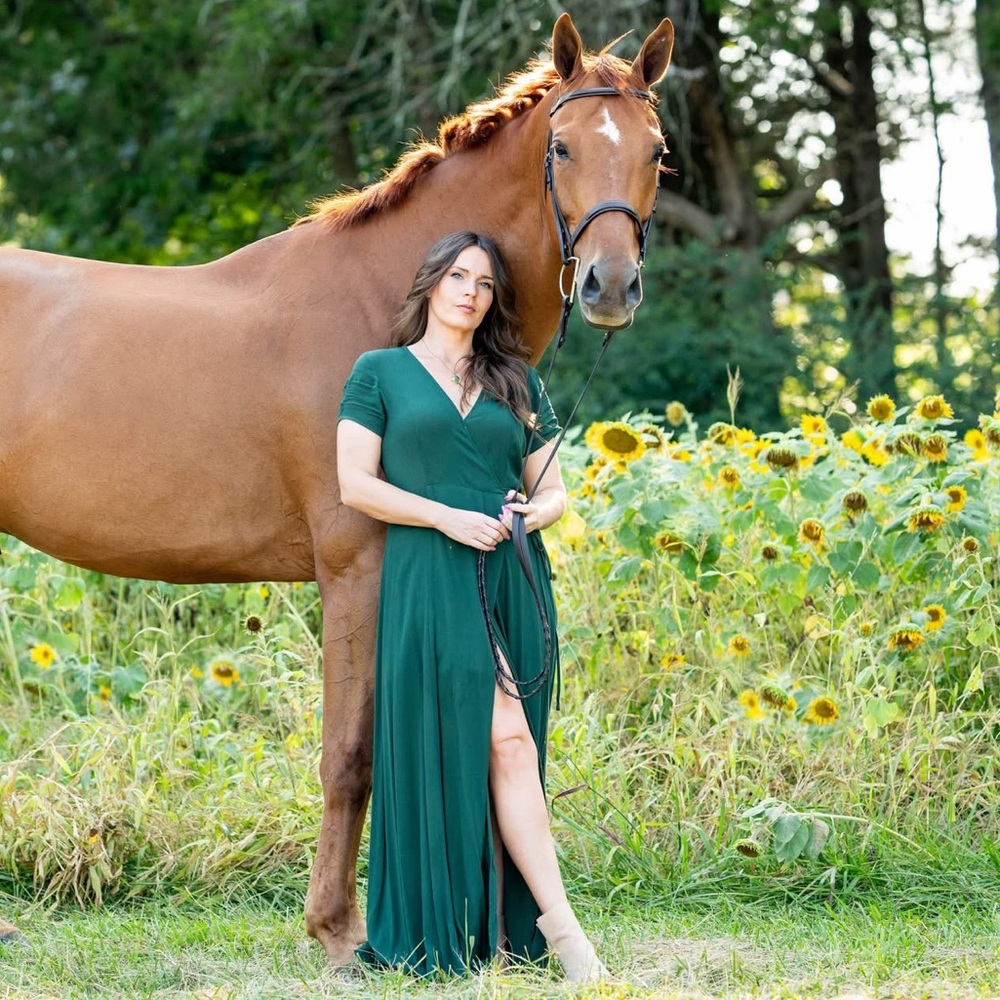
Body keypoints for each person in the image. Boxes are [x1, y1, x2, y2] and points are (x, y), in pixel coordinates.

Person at [336, 231, 608, 981]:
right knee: (489, 741)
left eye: (485, 284)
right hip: (429, 572)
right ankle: (560, 936)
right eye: (458, 276)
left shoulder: (517, 379)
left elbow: (554, 491)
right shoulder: (378, 372)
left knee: (510, 746)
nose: (470, 293)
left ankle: (533, 928)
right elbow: (356, 485)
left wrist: (530, 515)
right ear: (431, 283)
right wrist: (445, 517)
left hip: (509, 572)